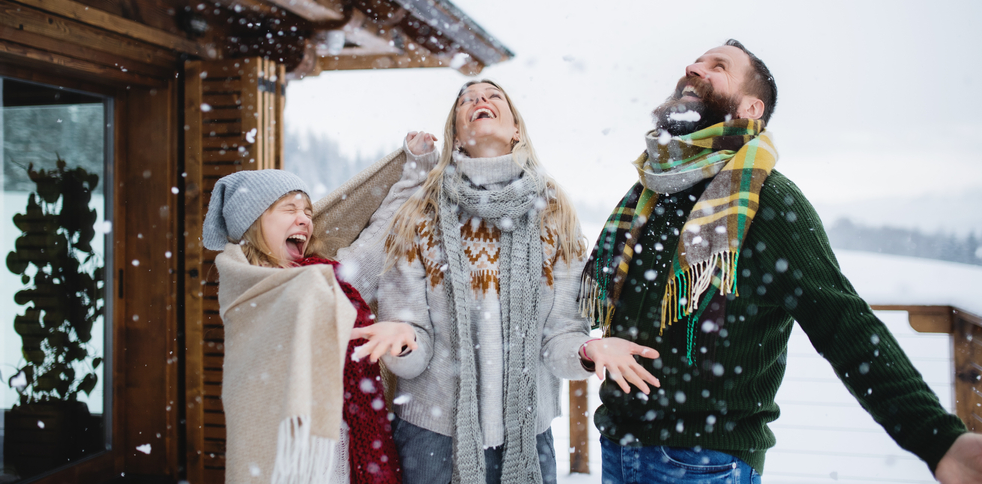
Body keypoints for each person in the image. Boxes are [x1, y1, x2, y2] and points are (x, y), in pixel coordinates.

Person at [582, 39, 982, 484]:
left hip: (703, 464)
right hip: (618, 447)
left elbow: (843, 322)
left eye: (718, 66)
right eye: (695, 61)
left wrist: (937, 439)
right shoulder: (650, 193)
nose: (694, 67)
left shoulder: (765, 199)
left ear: (751, 108)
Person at [378, 80, 661, 484]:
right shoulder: (418, 215)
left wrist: (588, 349)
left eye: (494, 96)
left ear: (516, 130)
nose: (480, 100)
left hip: (528, 435)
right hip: (432, 439)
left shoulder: (554, 213)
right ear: (456, 134)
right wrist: (402, 339)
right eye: (467, 100)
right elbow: (413, 346)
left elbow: (561, 333)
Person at [203, 133, 438, 484]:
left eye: (308, 211)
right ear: (253, 223)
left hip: (347, 441)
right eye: (289, 209)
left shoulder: (326, 278)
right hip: (287, 458)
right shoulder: (247, 290)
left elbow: (379, 237)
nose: (304, 219)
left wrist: (416, 170)